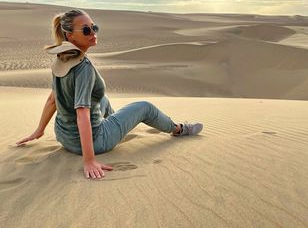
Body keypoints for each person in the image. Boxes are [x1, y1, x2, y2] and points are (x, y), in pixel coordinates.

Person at [16, 9, 203, 180]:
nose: (93, 33)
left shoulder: (61, 59)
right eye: (86, 30)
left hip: (64, 137)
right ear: (70, 36)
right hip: (94, 143)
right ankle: (179, 129)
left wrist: (39, 131)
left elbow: (52, 99)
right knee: (145, 107)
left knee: (101, 99)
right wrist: (89, 160)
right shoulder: (84, 68)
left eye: (94, 27)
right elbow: (82, 113)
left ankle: (115, 124)